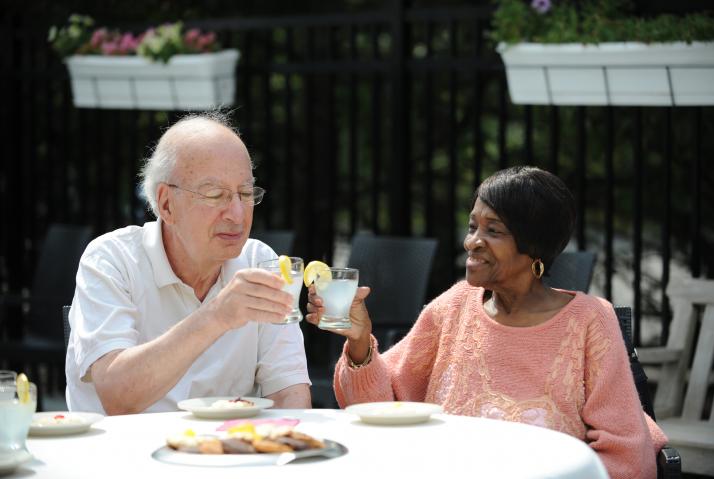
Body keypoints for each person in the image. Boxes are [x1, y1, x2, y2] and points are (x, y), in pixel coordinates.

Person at [307, 166, 667, 478]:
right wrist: (359, 342)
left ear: (534, 246)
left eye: (493, 231)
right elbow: (377, 408)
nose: (471, 242)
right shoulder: (454, 306)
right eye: (473, 226)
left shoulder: (591, 321)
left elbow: (628, 460)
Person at [65, 112, 311, 414]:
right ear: (167, 205)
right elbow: (117, 396)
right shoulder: (111, 260)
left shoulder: (261, 263)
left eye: (245, 193)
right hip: (125, 455)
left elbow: (289, 391)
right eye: (215, 195)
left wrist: (283, 447)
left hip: (226, 452)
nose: (237, 213)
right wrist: (217, 315)